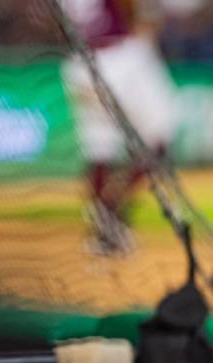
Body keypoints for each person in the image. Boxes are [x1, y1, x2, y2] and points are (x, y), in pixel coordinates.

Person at [61, 0, 179, 254]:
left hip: (81, 65)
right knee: (160, 137)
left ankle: (104, 227)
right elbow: (140, 13)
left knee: (99, 151)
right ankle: (114, 207)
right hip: (122, 58)